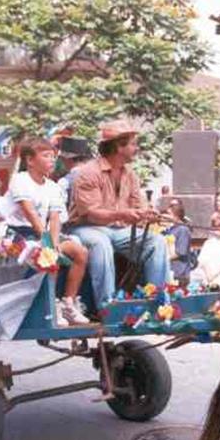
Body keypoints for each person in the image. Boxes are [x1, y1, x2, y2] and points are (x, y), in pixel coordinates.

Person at [68, 120, 168, 310]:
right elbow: (92, 213)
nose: (136, 148)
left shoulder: (130, 174)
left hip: (118, 230)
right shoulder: (88, 172)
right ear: (118, 146)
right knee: (100, 243)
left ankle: (158, 301)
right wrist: (124, 214)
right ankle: (107, 306)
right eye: (132, 144)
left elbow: (138, 205)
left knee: (157, 241)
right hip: (87, 228)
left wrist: (148, 214)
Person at [6, 138, 90, 325]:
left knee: (80, 252)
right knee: (48, 255)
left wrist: (54, 241)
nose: (52, 160)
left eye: (53, 156)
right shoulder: (20, 180)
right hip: (19, 233)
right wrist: (48, 244)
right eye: (46, 156)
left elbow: (54, 217)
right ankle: (51, 304)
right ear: (30, 160)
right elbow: (31, 214)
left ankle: (69, 303)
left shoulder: (52, 186)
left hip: (43, 232)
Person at [196, 213, 220, 290]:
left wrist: (215, 275)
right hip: (207, 279)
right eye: (215, 226)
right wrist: (209, 275)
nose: (218, 229)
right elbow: (202, 261)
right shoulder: (208, 243)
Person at [165, 202, 192, 287]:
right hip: (170, 271)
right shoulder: (170, 230)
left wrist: (164, 258)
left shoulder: (183, 230)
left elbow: (181, 251)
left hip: (180, 273)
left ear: (175, 215)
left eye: (169, 214)